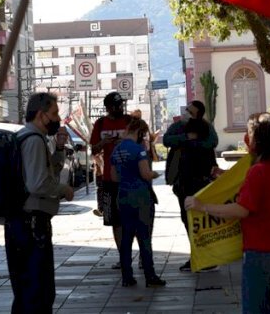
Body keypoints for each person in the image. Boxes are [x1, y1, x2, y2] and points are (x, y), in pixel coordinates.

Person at [186, 113, 270, 314]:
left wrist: (202, 206)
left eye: (249, 134)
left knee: (256, 308)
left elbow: (241, 209)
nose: (246, 139)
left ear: (257, 139)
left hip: (262, 252)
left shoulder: (258, 171)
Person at [6, 92, 75, 313]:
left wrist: (60, 149)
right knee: (38, 292)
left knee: (28, 290)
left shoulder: (25, 137)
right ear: (40, 114)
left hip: (22, 223)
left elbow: (43, 174)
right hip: (32, 226)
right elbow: (38, 184)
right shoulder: (34, 140)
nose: (57, 119)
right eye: (54, 114)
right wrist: (63, 190)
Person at [163, 100, 218, 272]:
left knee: (201, 220)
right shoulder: (178, 127)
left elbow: (212, 142)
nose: (187, 114)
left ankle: (207, 256)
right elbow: (166, 140)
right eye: (187, 110)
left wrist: (193, 143)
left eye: (191, 112)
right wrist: (185, 138)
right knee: (187, 219)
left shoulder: (206, 127)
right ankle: (196, 254)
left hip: (201, 180)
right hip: (183, 182)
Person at [110, 118, 166, 288]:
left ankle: (127, 277)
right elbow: (145, 174)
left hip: (123, 195)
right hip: (141, 197)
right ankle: (150, 276)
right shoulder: (139, 149)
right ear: (141, 133)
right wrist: (155, 174)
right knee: (144, 237)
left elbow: (113, 177)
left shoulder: (117, 150)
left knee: (126, 237)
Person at [90, 92, 132, 263]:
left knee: (134, 218)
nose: (119, 108)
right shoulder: (100, 124)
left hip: (131, 178)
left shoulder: (130, 122)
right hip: (110, 178)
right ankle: (123, 256)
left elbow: (141, 144)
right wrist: (104, 143)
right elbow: (93, 150)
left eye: (121, 105)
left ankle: (141, 255)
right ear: (108, 108)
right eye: (116, 106)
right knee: (115, 220)